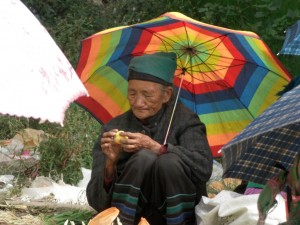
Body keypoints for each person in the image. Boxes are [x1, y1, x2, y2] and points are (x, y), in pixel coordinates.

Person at [86, 52, 213, 225]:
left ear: (167, 94)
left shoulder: (186, 122)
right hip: (132, 216)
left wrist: (158, 148)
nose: (138, 102)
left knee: (168, 161)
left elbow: (203, 168)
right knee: (143, 158)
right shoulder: (113, 128)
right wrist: (110, 164)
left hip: (176, 214)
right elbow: (97, 202)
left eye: (147, 95)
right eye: (132, 93)